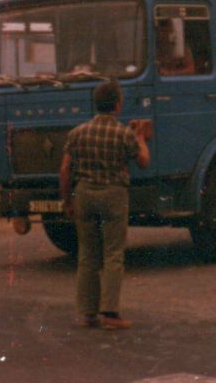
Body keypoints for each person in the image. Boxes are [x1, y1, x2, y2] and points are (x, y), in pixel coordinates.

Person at [59, 79, 151, 330]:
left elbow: (65, 169)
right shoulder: (124, 134)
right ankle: (110, 313)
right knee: (113, 253)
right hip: (113, 195)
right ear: (118, 105)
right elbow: (143, 161)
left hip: (84, 195)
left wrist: (68, 201)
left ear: (96, 104)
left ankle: (89, 313)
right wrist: (141, 137)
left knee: (87, 254)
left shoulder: (77, 133)